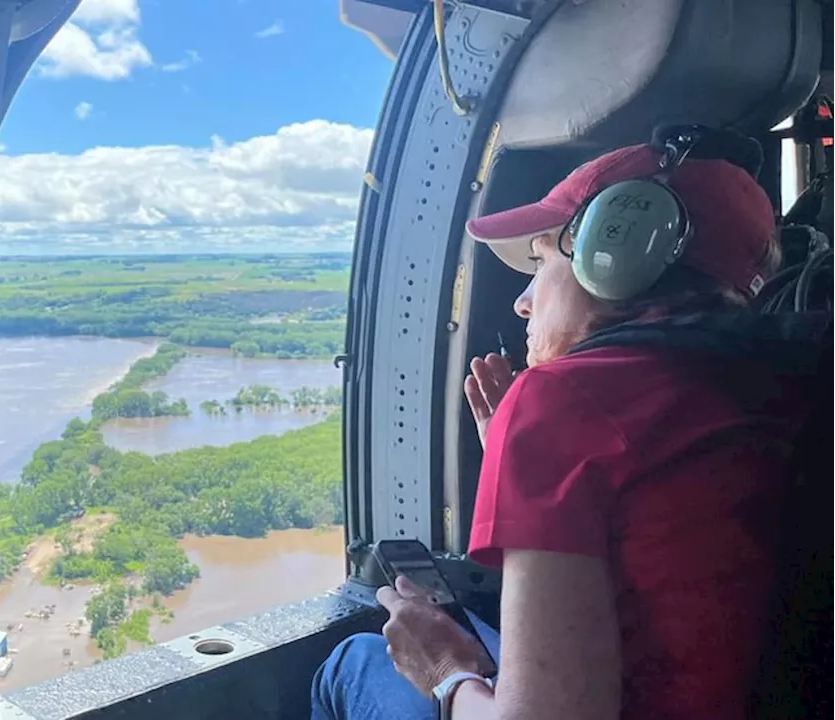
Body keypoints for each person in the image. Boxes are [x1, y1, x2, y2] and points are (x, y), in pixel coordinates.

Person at [311, 139, 827, 719]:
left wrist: (445, 674)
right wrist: (532, 486)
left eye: (539, 263)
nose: (523, 304)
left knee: (357, 662)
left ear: (616, 253)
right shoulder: (791, 376)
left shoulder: (564, 400)